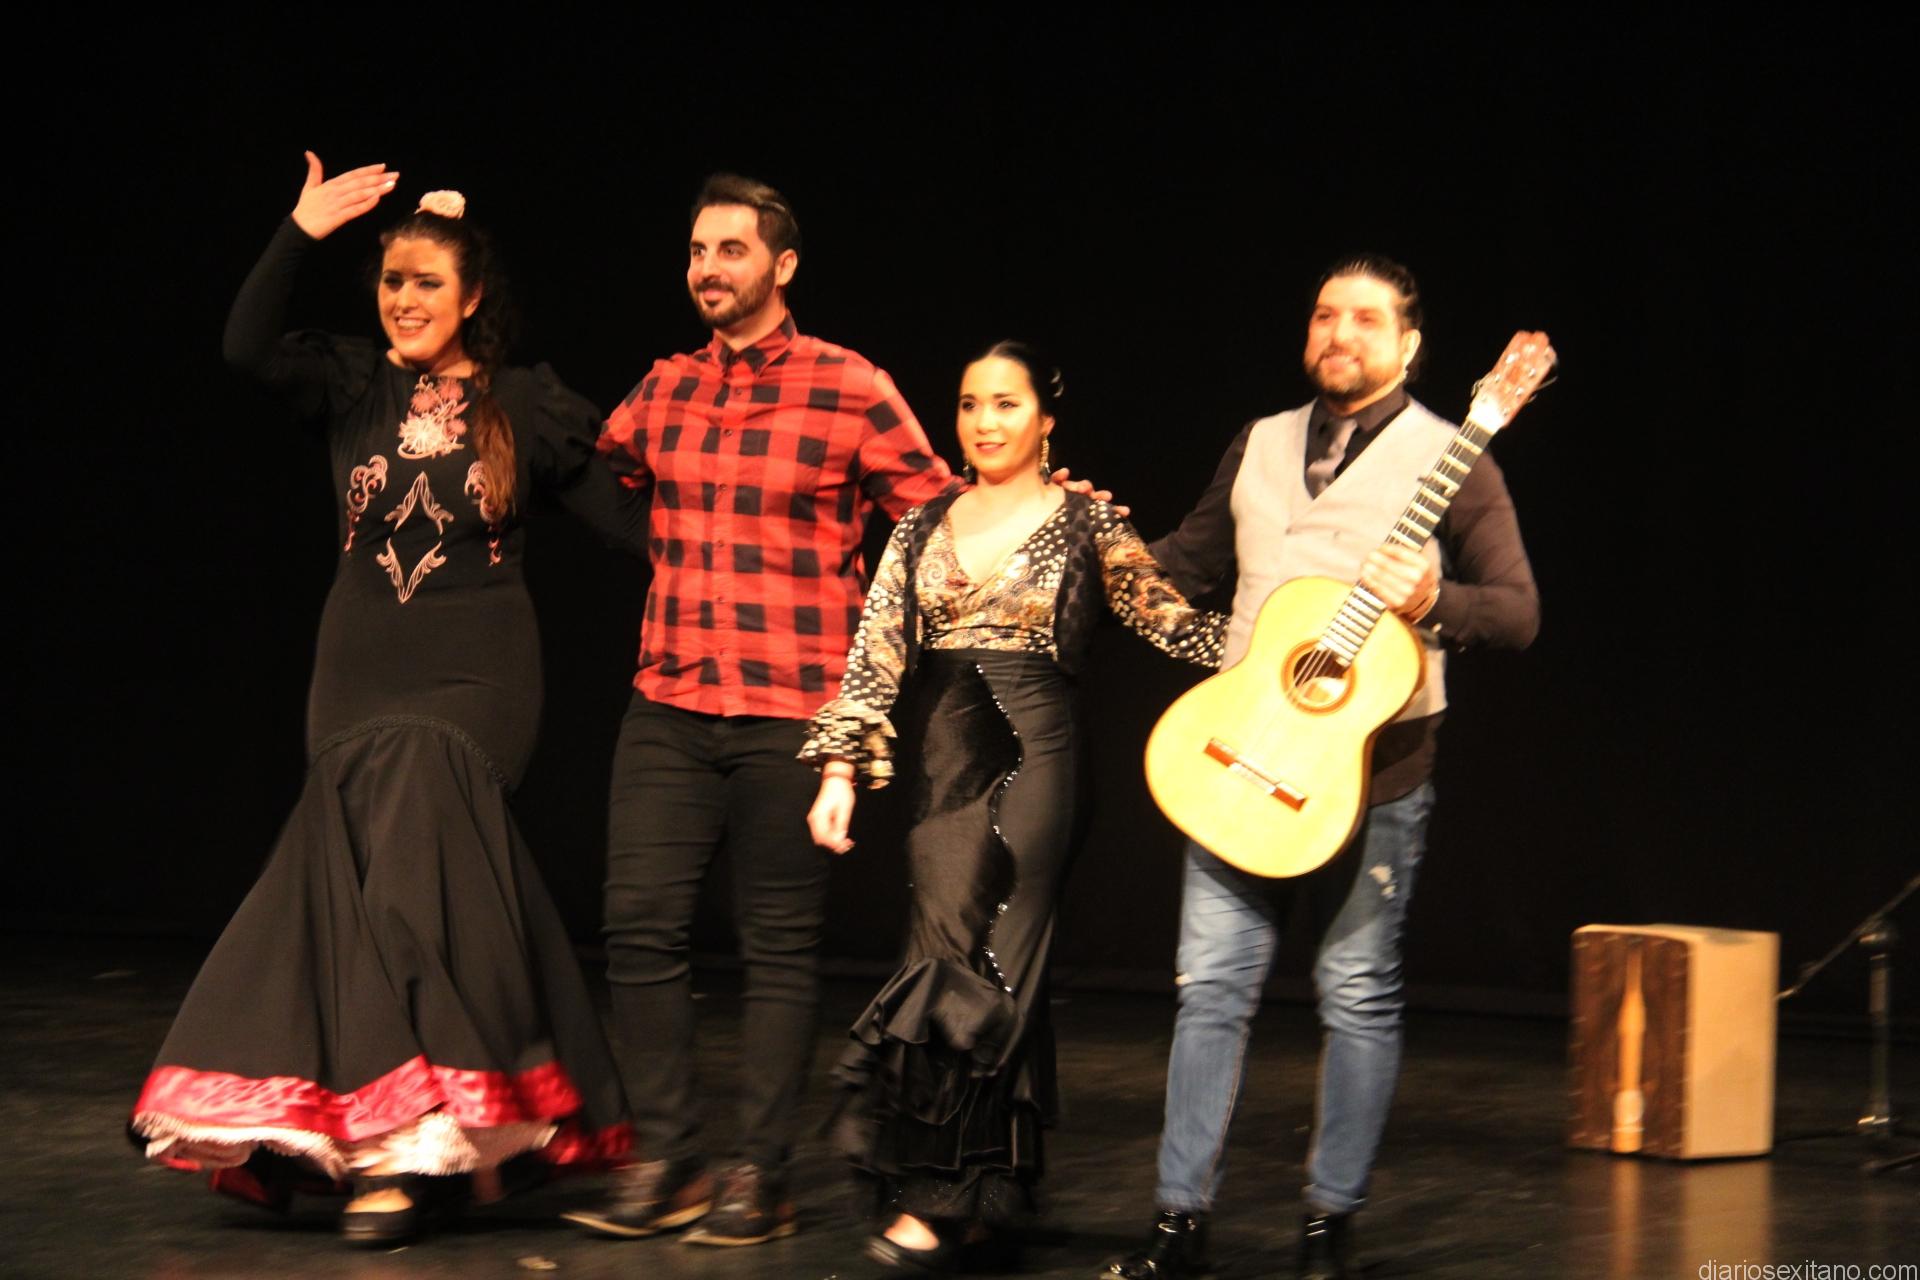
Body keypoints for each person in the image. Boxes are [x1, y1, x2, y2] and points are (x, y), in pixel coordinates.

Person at [130, 155, 639, 1246]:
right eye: (391, 282)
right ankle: (397, 1144)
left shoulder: (526, 405)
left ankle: (413, 1151)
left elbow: (634, 523)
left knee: (410, 874)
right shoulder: (354, 385)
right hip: (357, 672)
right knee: (360, 892)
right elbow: (243, 347)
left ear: (471, 296)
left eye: (425, 283)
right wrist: (298, 232)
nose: (404, 300)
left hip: (477, 681)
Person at [1101, 256, 1540, 1280]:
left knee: (1356, 994)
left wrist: (1434, 601)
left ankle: (1328, 1225)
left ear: (1409, 345)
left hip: (1370, 774)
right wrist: (1090, 542)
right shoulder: (1258, 441)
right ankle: (1178, 1222)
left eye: (1365, 318)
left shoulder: (1456, 456)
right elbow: (1187, 559)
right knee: (1210, 991)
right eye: (1324, 313)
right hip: (1237, 755)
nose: (1339, 332)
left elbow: (1519, 612)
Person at [562, 174, 967, 1248]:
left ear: (782, 266)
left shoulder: (848, 384)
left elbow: (934, 519)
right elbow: (603, 475)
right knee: (639, 927)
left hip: (796, 707)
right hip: (669, 696)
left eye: (731, 250)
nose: (708, 269)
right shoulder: (667, 384)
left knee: (777, 945)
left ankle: (760, 1171)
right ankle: (667, 1157)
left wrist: (873, 650)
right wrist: (661, 548)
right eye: (698, 250)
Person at [801, 342, 1227, 1272]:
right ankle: (986, 1195)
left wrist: (1288, 646)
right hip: (943, 756)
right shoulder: (921, 524)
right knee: (952, 951)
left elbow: (1172, 621)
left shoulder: (1086, 522)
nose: (984, 421)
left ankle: (936, 1198)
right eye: (969, 404)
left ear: (1046, 419)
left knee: (983, 962)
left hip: (1036, 759)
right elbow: (875, 652)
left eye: (1005, 403)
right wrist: (838, 770)